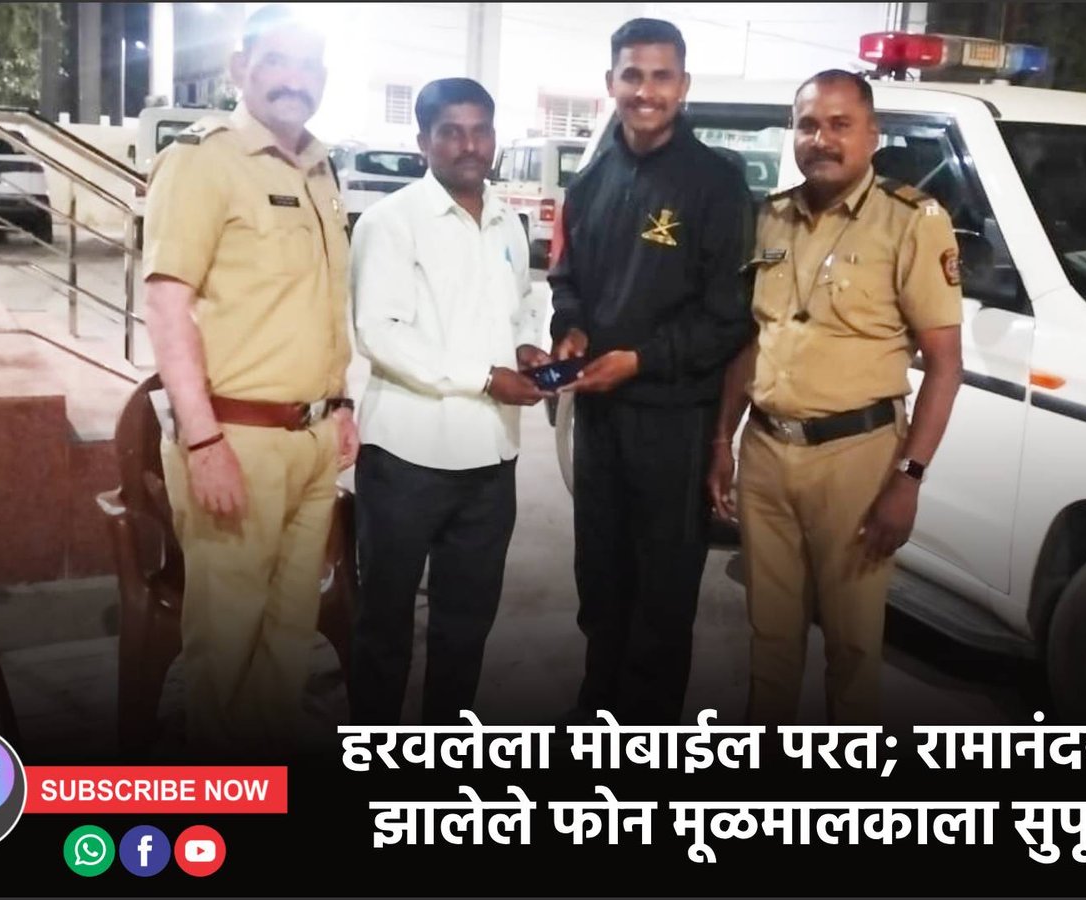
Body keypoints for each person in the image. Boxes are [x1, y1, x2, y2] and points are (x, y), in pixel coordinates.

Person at [707, 70, 965, 725]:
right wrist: (723, 439)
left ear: (872, 135)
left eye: (840, 124)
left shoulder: (912, 221)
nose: (821, 139)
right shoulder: (771, 218)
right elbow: (753, 340)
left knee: (852, 645)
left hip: (857, 459)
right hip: (766, 452)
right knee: (770, 635)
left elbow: (945, 365)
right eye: (808, 125)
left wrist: (908, 478)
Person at [141, 4, 356, 756]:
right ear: (240, 69)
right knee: (226, 645)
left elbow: (318, 303)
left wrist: (341, 405)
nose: (296, 80)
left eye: (310, 66)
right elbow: (166, 304)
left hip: (314, 442)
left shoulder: (321, 169)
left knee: (289, 638)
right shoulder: (205, 160)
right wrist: (202, 442)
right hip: (236, 440)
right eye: (278, 62)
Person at [549, 18, 755, 725]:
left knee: (662, 595)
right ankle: (597, 710)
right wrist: (571, 327)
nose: (645, 91)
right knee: (600, 577)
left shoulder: (716, 185)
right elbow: (567, 280)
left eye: (661, 76)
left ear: (683, 85)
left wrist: (641, 360)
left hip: (674, 420)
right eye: (632, 75)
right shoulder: (592, 181)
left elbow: (730, 316)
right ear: (610, 83)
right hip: (599, 417)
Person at [347, 78, 548, 724]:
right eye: (451, 132)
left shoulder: (506, 220)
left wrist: (528, 346)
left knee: (466, 625)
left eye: (480, 130)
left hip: (491, 461)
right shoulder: (391, 222)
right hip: (408, 459)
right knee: (384, 625)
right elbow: (380, 334)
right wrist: (486, 378)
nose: (469, 145)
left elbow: (523, 304)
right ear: (423, 142)